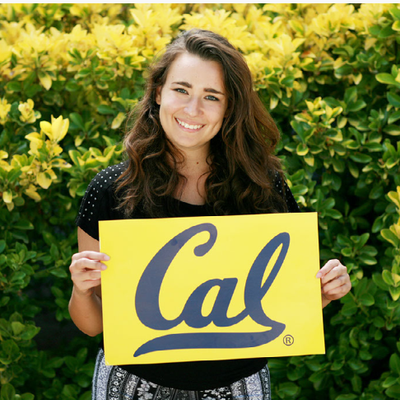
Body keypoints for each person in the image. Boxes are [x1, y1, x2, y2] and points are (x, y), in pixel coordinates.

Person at [69, 29, 351, 400]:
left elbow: (283, 303)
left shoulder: (262, 186)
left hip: (238, 386)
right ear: (158, 93)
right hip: (132, 385)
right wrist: (81, 288)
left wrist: (325, 292)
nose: (192, 110)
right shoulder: (110, 190)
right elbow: (93, 326)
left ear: (230, 106)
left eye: (211, 97)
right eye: (181, 90)